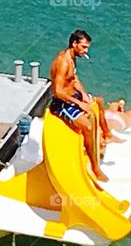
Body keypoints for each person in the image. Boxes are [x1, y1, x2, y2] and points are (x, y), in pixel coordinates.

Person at [49, 29, 119, 181]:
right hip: (61, 104)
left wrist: (84, 95)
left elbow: (74, 79)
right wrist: (79, 103)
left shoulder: (72, 57)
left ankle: (106, 135)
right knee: (87, 126)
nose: (86, 51)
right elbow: (57, 91)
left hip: (73, 97)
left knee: (97, 102)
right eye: (84, 47)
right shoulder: (63, 62)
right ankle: (95, 168)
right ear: (74, 44)